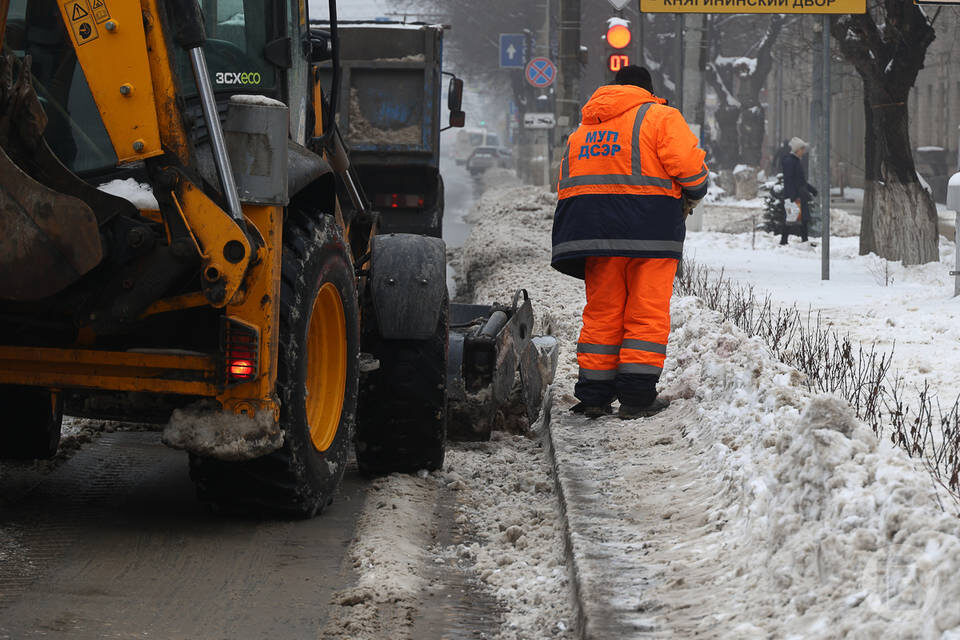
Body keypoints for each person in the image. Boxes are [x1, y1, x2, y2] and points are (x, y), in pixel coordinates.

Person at [551, 66, 709, 420]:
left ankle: (593, 395)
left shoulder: (584, 129)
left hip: (594, 232)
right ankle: (637, 397)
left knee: (602, 312)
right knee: (646, 311)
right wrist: (696, 191)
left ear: (613, 89)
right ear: (649, 92)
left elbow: (567, 179)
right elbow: (689, 167)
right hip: (650, 230)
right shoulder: (660, 116)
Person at [780, 137, 818, 245]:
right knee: (791, 218)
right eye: (802, 149)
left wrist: (812, 190)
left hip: (799, 194)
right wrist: (792, 196)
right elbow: (790, 180)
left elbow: (801, 181)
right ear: (797, 150)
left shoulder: (795, 161)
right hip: (794, 195)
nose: (804, 151)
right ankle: (784, 241)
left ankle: (803, 241)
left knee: (802, 219)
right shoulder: (791, 162)